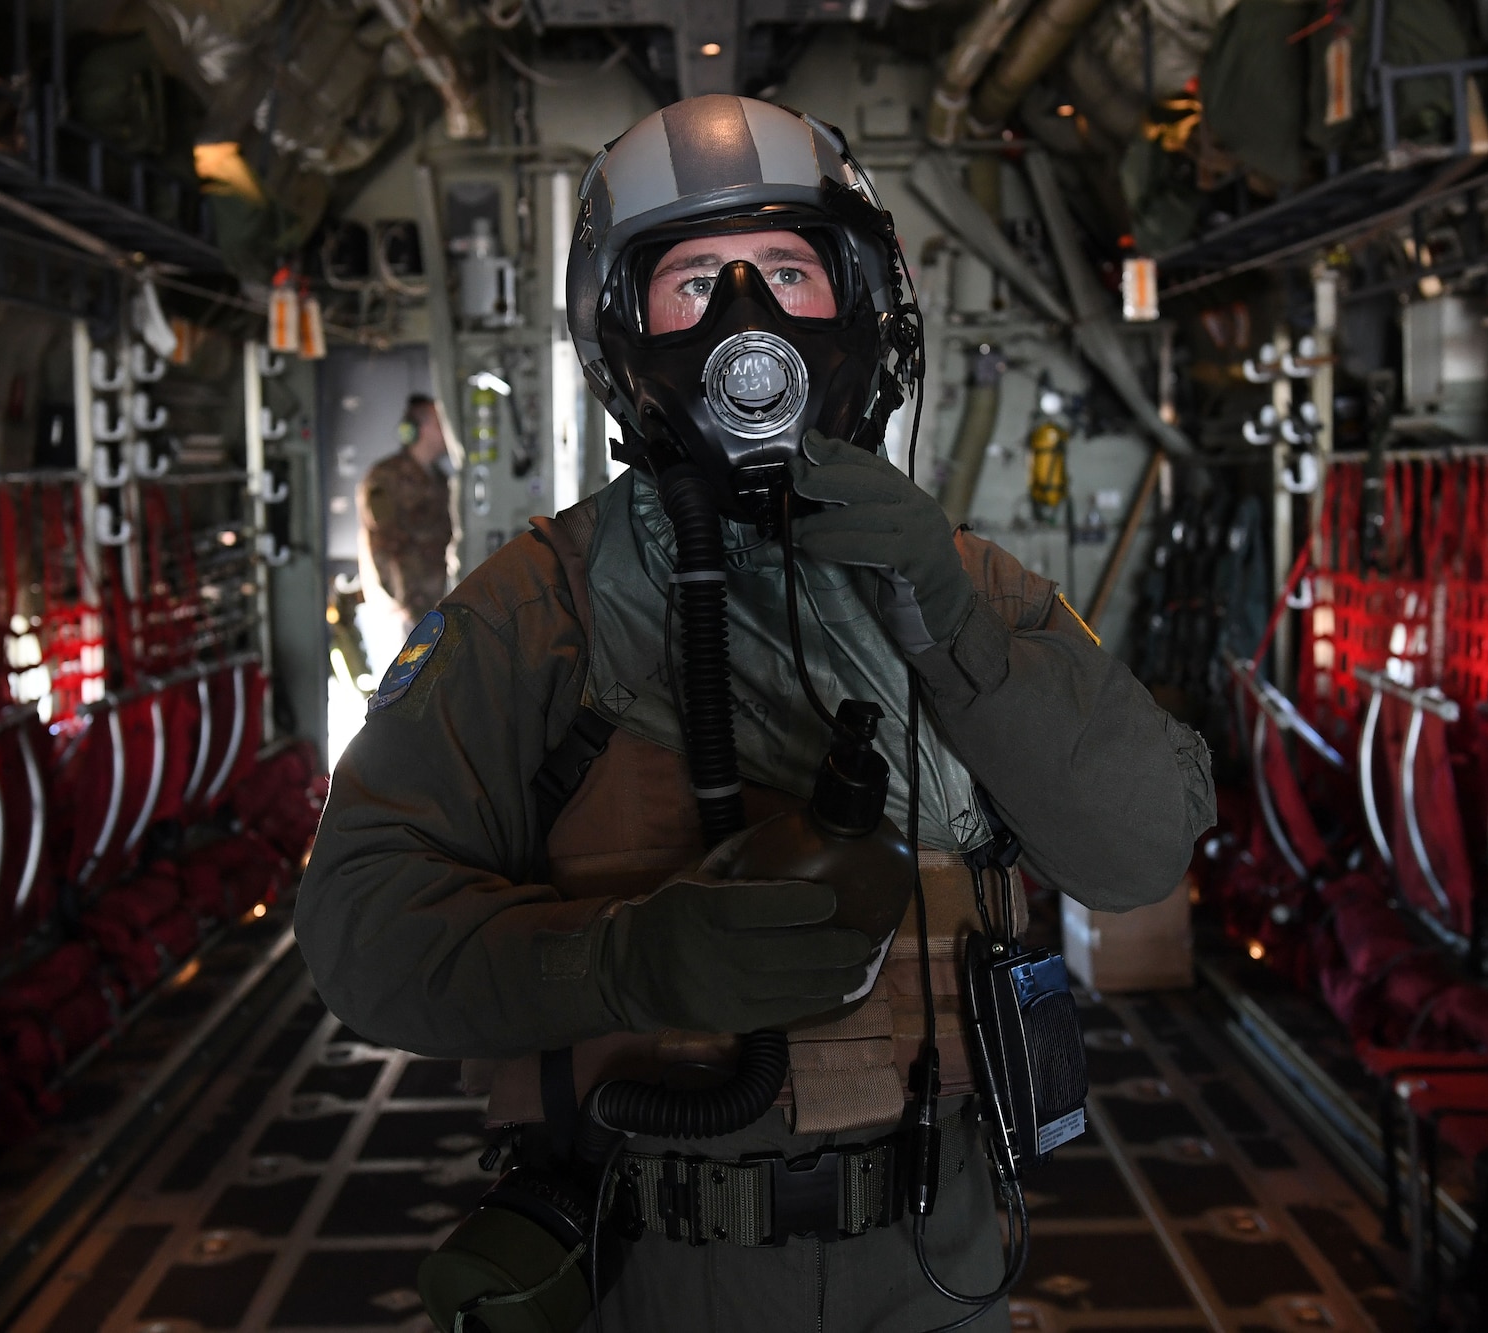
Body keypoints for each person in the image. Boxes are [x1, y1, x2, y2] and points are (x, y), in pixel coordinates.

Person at [297, 95, 1214, 1331]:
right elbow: (357, 935)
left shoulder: (963, 585)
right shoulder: (537, 612)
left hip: (935, 1262)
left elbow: (1140, 848)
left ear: (861, 303)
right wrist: (620, 961)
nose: (749, 330)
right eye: (691, 285)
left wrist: (946, 613)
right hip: (655, 1264)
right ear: (623, 332)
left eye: (787, 270)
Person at [357, 394, 454, 621]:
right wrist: (410, 602)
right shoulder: (384, 477)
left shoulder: (440, 479)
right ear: (421, 427)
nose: (447, 429)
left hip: (444, 597)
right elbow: (385, 541)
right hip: (416, 607)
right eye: (440, 422)